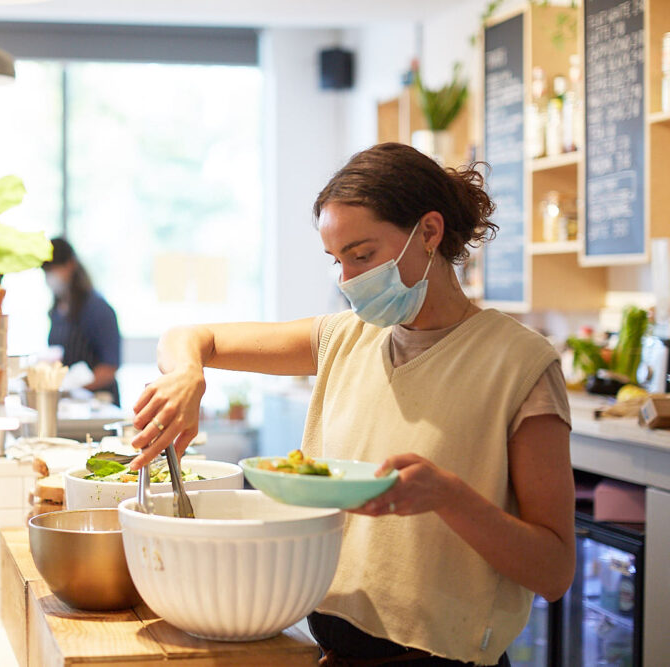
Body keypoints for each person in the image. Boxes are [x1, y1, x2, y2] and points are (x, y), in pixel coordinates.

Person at [127, 143, 575, 666]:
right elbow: (189, 335)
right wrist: (187, 374)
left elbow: (554, 571)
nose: (348, 281)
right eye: (337, 261)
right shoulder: (343, 338)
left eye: (362, 255)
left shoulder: (519, 364)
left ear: (429, 233)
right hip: (332, 651)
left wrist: (450, 496)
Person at [42, 237, 122, 405]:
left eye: (54, 269)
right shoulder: (57, 310)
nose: (50, 276)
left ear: (70, 265)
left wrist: (75, 387)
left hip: (98, 403)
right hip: (69, 404)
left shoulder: (97, 309)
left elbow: (110, 367)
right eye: (46, 271)